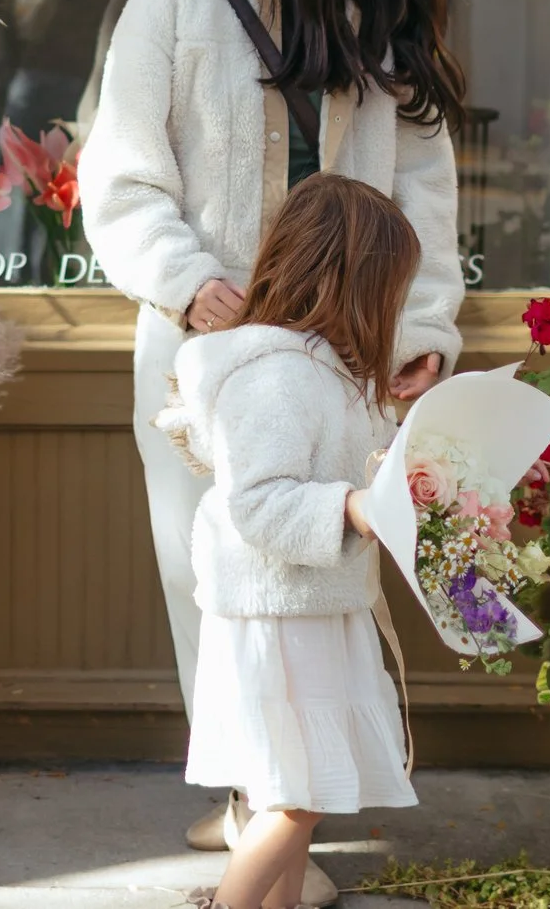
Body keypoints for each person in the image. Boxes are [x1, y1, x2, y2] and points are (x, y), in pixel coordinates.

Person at [76, 0, 466, 881]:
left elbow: (425, 195)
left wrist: (420, 324)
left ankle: (273, 814)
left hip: (339, 359)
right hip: (205, 354)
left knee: (314, 578)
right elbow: (120, 168)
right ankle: (260, 811)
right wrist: (183, 276)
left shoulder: (369, 10)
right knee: (214, 582)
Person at [175, 173, 421, 909]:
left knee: (297, 794)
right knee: (295, 796)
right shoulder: (276, 374)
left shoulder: (317, 369)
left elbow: (332, 464)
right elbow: (258, 501)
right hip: (279, 615)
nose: (394, 310)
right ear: (351, 283)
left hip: (311, 605)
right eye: (389, 290)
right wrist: (350, 505)